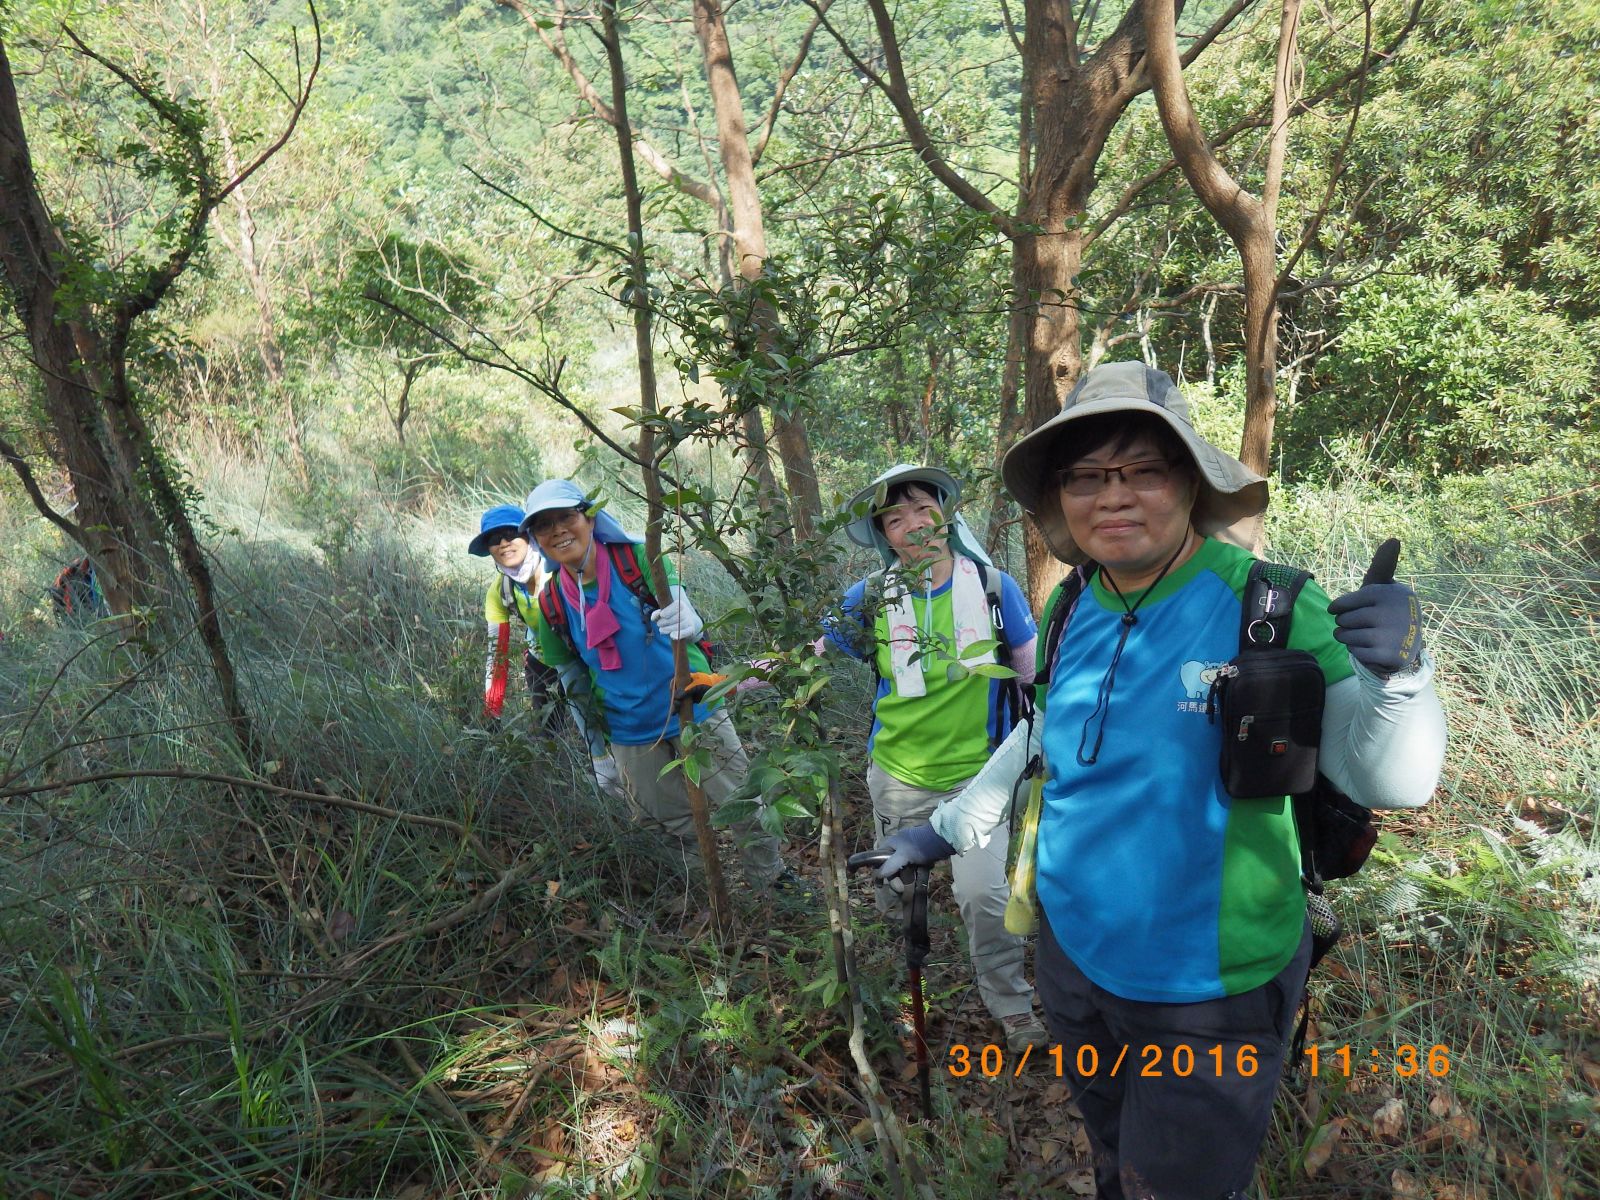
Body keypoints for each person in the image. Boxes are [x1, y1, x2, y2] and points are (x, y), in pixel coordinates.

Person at [873, 363, 1447, 1199]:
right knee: (1114, 1155)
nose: (1114, 496)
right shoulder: (1073, 603)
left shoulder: (1269, 605)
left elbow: (1390, 779)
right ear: (1060, 497)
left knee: (1175, 1184)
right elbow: (1042, 741)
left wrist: (1400, 678)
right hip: (1074, 959)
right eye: (1086, 476)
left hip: (1209, 989)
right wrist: (944, 830)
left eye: (1144, 469)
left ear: (1190, 481)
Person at [827, 464, 1049, 1052]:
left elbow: (1031, 677)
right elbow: (817, 650)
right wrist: (737, 677)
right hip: (898, 774)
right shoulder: (871, 597)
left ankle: (1011, 1005)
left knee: (983, 896)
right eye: (895, 519)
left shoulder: (994, 587)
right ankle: (902, 986)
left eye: (924, 509)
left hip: (981, 780)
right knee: (896, 889)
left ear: (946, 516)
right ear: (884, 536)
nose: (914, 525)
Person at [521, 478, 787, 889]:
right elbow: (573, 680)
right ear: (536, 539)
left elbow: (678, 600)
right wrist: (599, 753)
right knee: (667, 824)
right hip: (629, 730)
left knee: (744, 801)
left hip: (694, 705)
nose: (557, 531)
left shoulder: (637, 558)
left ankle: (770, 882)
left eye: (566, 517)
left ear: (589, 518)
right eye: (543, 525)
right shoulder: (551, 601)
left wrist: (689, 618)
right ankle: (701, 895)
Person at [467, 504, 622, 797]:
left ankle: (618, 770)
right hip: (541, 661)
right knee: (548, 730)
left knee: (607, 712)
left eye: (511, 534)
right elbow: (496, 654)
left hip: (586, 654)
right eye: (494, 539)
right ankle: (565, 790)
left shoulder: (558, 572)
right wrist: (492, 710)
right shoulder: (500, 592)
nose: (504, 543)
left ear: (529, 536)